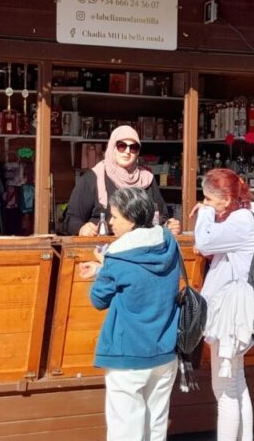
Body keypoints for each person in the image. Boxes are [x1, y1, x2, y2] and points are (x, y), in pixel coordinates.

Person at [77, 187, 180, 441]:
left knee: (125, 430)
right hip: (165, 348)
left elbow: (98, 299)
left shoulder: (118, 255)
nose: (110, 222)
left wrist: (104, 266)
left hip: (127, 353)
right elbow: (143, 278)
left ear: (132, 219)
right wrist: (104, 268)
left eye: (115, 216)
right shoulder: (168, 243)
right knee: (156, 428)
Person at [191, 168, 254, 441]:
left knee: (225, 390)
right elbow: (210, 247)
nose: (205, 203)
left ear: (226, 199)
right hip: (238, 312)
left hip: (231, 315)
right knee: (236, 383)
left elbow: (204, 240)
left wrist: (205, 214)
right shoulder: (247, 216)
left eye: (209, 199)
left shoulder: (241, 220)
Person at [63, 125, 181, 237]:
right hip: (103, 245)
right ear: (112, 148)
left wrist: (170, 225)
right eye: (121, 146)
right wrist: (82, 228)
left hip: (143, 246)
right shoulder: (93, 178)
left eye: (133, 147)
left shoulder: (147, 179)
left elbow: (161, 217)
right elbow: (71, 219)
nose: (127, 151)